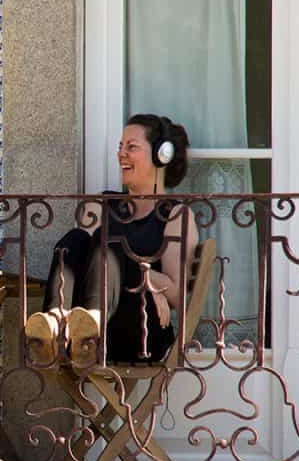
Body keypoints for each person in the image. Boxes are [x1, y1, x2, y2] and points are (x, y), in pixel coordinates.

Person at [26, 114, 198, 365]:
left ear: (162, 155)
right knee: (76, 238)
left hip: (140, 332)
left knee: (113, 245)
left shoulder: (175, 215)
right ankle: (55, 322)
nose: (122, 154)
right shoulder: (100, 204)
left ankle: (91, 324)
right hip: (78, 336)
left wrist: (142, 275)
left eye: (132, 147)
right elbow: (80, 259)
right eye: (120, 147)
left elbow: (176, 295)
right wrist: (149, 278)